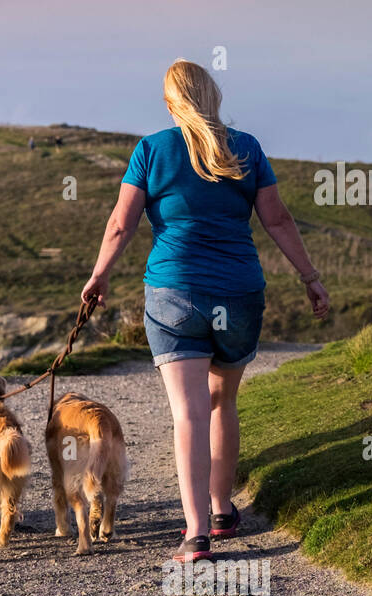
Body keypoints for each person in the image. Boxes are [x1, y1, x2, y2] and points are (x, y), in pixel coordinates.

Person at [82, 60, 329, 564]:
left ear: (171, 101)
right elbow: (277, 220)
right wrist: (311, 278)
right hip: (238, 294)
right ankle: (221, 509)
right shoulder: (248, 148)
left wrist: (100, 275)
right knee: (222, 402)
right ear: (212, 97)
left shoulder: (151, 150)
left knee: (188, 411)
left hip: (175, 293)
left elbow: (119, 225)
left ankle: (196, 532)